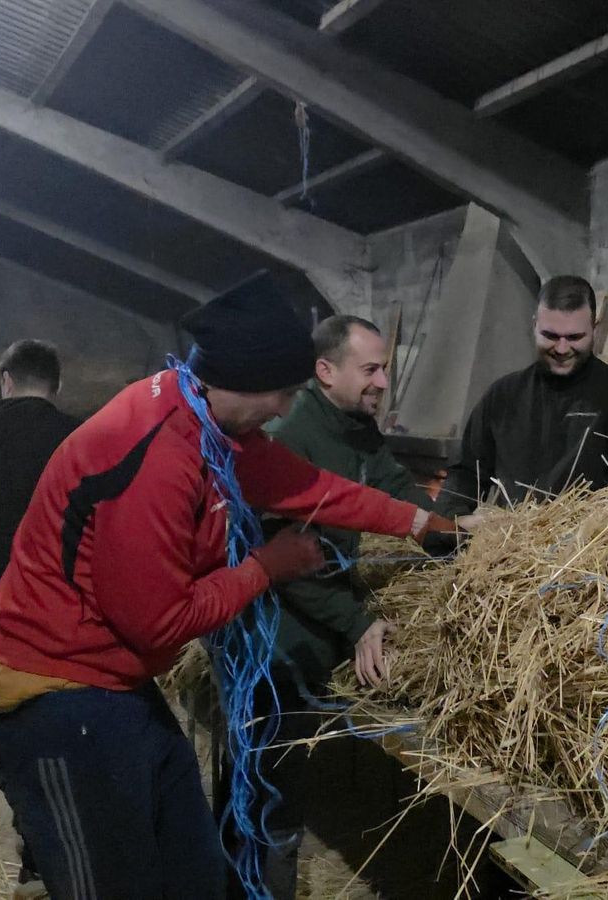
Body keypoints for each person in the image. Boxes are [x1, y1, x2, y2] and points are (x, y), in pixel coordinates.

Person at [0, 282, 461, 900]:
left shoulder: (204, 420)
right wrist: (266, 567)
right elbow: (159, 622)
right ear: (243, 381)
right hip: (61, 701)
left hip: (119, 687)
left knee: (197, 873)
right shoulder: (156, 457)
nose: (285, 410)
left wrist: (420, 522)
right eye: (284, 393)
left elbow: (310, 487)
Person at [254, 314, 434, 898]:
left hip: (323, 614)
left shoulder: (356, 426)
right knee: (272, 777)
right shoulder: (291, 437)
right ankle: (262, 885)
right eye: (371, 369)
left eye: (384, 368)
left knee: (297, 764)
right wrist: (357, 623)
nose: (383, 381)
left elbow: (396, 488)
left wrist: (461, 533)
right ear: (326, 371)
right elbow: (285, 560)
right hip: (280, 635)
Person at [438, 275, 608, 516]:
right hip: (512, 537)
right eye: (551, 336)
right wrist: (451, 520)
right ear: (534, 326)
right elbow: (466, 473)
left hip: (591, 537)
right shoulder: (503, 396)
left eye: (574, 337)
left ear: (595, 329)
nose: (562, 349)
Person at [0, 340, 80, 662]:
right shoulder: (78, 437)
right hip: (55, 586)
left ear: (7, 381)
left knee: (6, 675)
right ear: (58, 385)